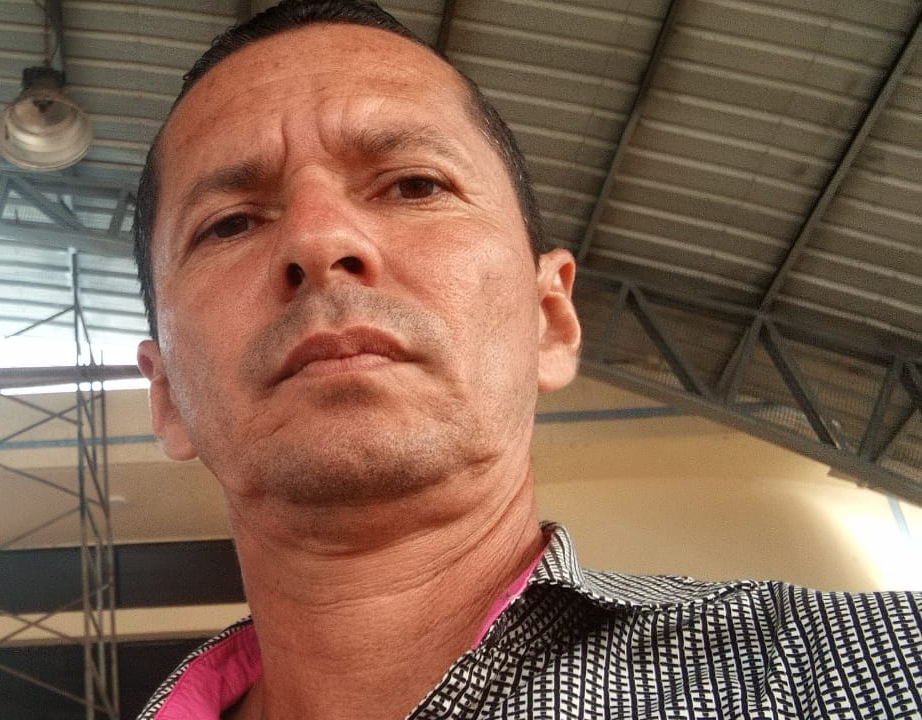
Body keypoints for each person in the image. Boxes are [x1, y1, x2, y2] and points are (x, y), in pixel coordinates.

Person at [130, 2, 921, 719]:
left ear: (550, 319)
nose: (318, 240)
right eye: (229, 224)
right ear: (166, 395)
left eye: (414, 185)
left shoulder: (868, 672)